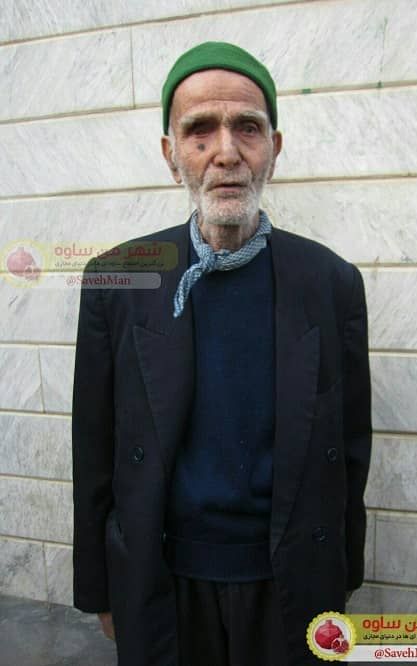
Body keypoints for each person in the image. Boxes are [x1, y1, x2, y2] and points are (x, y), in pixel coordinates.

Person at [72, 41, 372, 666]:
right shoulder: (119, 278)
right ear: (171, 155)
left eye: (248, 128)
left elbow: (350, 449)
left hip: (290, 583)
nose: (226, 152)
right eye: (200, 131)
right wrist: (101, 590)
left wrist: (341, 575)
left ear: (274, 149)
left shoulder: (331, 282)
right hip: (163, 582)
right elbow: (94, 451)